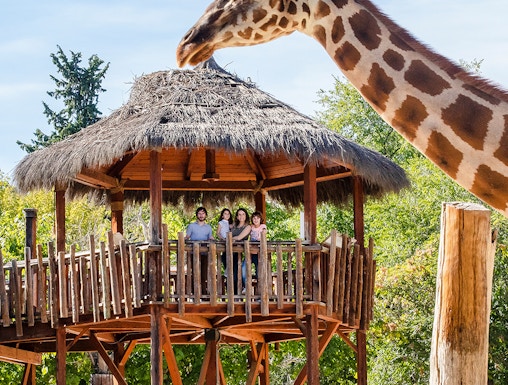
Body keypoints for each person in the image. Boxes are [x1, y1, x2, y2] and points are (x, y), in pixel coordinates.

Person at [186, 207, 214, 294]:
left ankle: (203, 292)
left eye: (203, 213)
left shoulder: (208, 227)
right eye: (199, 213)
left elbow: (210, 238)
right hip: (193, 252)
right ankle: (194, 292)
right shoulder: (191, 226)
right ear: (196, 215)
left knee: (204, 273)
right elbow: (187, 237)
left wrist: (214, 240)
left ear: (205, 215)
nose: (201, 215)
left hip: (205, 253)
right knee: (194, 272)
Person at [223, 208, 251, 294]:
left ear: (246, 216)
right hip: (228, 251)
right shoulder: (234, 225)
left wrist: (229, 238)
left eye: (243, 214)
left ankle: (236, 295)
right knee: (229, 274)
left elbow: (239, 237)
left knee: (234, 274)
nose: (241, 216)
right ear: (237, 216)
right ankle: (231, 294)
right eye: (239, 214)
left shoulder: (248, 226)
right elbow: (224, 225)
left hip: (237, 253)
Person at [242, 211, 267, 289]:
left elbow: (263, 234)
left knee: (259, 272)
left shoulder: (263, 226)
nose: (256, 220)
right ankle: (246, 287)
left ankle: (260, 290)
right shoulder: (251, 227)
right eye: (254, 218)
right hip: (250, 252)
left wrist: (260, 237)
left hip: (259, 253)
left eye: (258, 218)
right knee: (243, 268)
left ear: (260, 219)